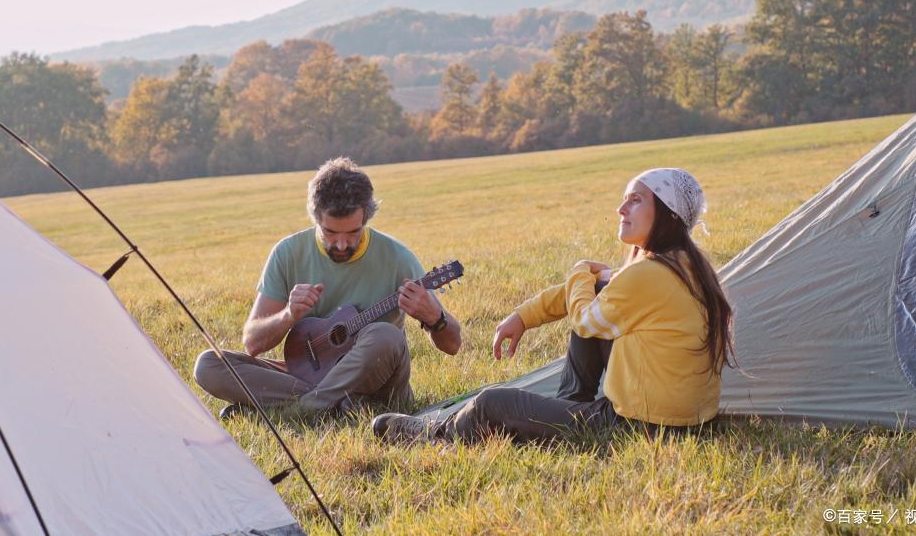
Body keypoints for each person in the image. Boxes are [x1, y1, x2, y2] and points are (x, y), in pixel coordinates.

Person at [373, 167, 733, 443]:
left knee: (493, 402)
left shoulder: (650, 274)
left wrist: (579, 270)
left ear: (668, 214)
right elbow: (595, 293)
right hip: (682, 421)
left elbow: (586, 318)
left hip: (640, 426)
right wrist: (523, 317)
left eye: (636, 200)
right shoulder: (683, 265)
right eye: (624, 198)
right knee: (594, 307)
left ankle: (435, 436)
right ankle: (567, 409)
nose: (621, 207)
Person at [193, 157, 462, 418]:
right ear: (315, 219)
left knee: (385, 335)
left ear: (366, 219)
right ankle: (335, 407)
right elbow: (252, 342)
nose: (342, 244)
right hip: (307, 374)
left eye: (353, 232)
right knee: (208, 364)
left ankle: (298, 409)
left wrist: (435, 318)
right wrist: (289, 314)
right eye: (331, 233)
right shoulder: (288, 253)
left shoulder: (398, 258)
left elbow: (452, 345)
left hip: (377, 386)